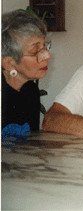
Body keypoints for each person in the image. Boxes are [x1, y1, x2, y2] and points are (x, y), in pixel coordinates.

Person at [2, 10, 52, 139]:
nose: (47, 56)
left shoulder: (30, 91)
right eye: (36, 51)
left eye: (45, 47)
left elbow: (29, 145)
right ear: (8, 63)